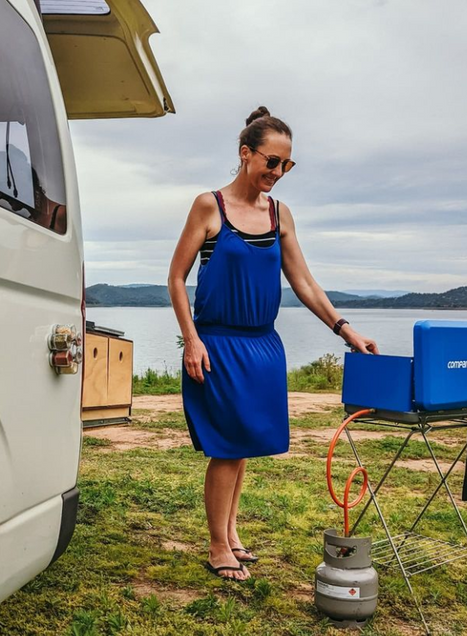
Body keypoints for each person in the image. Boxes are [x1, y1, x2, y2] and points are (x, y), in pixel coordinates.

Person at [168, 106, 379, 581]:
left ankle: (232, 532)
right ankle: (218, 544)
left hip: (263, 347)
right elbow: (177, 279)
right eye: (271, 162)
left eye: (287, 165)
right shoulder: (210, 206)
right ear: (245, 154)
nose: (278, 173)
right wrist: (192, 341)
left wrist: (346, 330)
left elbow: (303, 282)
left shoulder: (281, 215)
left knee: (243, 447)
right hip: (218, 345)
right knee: (226, 446)